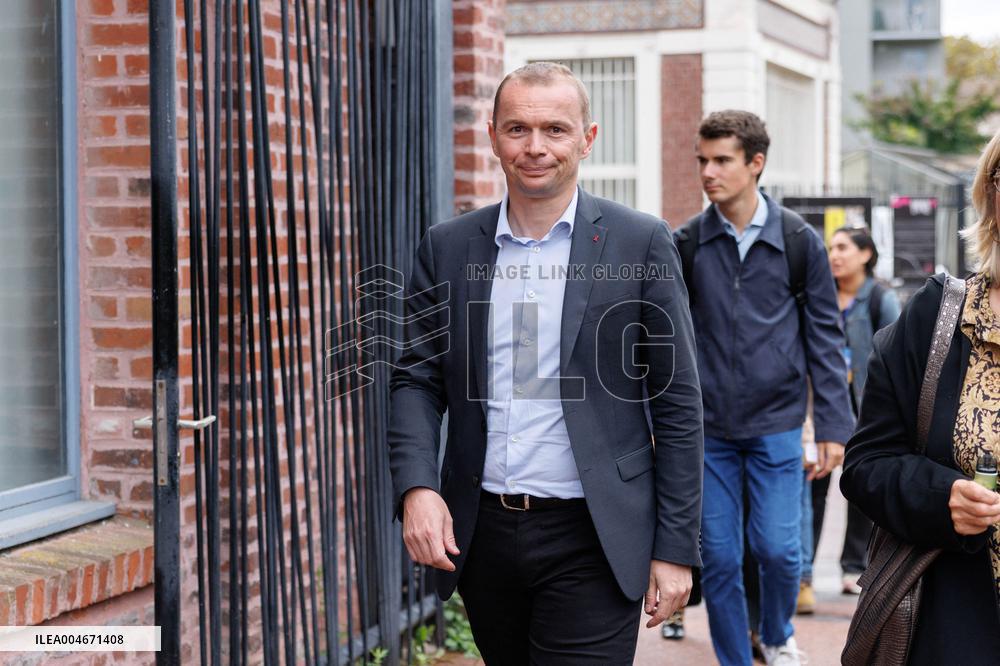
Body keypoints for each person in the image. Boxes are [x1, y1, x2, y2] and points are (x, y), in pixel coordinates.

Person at [387, 62, 704, 665]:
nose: (535, 148)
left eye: (555, 130)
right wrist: (418, 487)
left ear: (587, 138)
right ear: (492, 136)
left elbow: (678, 402)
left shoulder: (641, 242)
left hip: (596, 533)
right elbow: (416, 378)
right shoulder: (448, 247)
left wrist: (675, 546)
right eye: (518, 130)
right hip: (481, 534)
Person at [675, 110, 853, 666]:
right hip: (709, 433)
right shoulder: (685, 244)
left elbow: (825, 338)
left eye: (722, 160)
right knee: (722, 559)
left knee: (778, 552)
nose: (708, 172)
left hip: (777, 425)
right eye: (702, 160)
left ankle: (775, 636)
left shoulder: (800, 242)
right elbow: (668, 340)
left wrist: (831, 426)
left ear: (756, 163)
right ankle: (734, 658)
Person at [841, 129, 1000, 665]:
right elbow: (867, 464)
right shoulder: (939, 318)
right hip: (961, 620)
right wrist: (942, 498)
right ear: (990, 196)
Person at [799, 226, 901, 612]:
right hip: (823, 407)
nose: (834, 255)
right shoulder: (819, 295)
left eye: (843, 247)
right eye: (831, 249)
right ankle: (803, 572)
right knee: (816, 486)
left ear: (866, 254)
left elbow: (895, 353)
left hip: (864, 410)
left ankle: (853, 565)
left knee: (860, 488)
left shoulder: (878, 299)